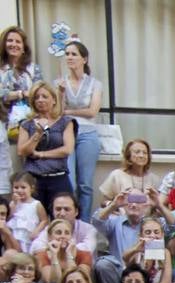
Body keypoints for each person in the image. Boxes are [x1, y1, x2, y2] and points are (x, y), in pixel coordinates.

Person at [53, 41, 100, 222]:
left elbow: (92, 111)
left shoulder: (95, 84)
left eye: (74, 54)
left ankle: (85, 222)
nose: (69, 57)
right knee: (69, 183)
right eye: (67, 54)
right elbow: (57, 112)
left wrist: (68, 112)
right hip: (67, 133)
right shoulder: (60, 82)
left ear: (84, 59)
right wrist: (60, 94)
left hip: (88, 133)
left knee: (85, 184)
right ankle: (67, 223)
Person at [17, 81, 75, 215]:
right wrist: (37, 134)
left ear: (54, 100)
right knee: (34, 220)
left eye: (44, 96)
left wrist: (40, 154)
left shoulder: (65, 122)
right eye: (36, 97)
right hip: (34, 179)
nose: (40, 100)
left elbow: (67, 149)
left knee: (62, 218)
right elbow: (22, 151)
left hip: (58, 178)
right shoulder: (27, 124)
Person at [0, 26, 43, 195]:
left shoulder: (33, 69)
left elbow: (39, 91)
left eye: (18, 41)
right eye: (10, 41)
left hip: (28, 124)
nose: (14, 44)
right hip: (3, 123)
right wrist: (21, 93)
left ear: (24, 46)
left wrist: (10, 95)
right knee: (6, 167)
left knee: (27, 166)